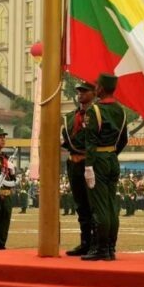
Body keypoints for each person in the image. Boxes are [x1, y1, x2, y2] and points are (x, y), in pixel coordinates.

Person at [82, 72, 128, 261]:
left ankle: (102, 249)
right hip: (112, 157)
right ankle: (110, 248)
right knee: (111, 205)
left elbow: (91, 141)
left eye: (97, 86)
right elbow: (123, 139)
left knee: (100, 206)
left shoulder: (94, 110)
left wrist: (89, 166)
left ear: (101, 88)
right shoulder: (121, 110)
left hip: (98, 159)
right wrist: (112, 154)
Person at [62, 81, 96, 256]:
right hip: (73, 164)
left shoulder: (96, 114)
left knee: (93, 205)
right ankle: (85, 242)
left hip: (89, 163)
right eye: (79, 91)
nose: (80, 94)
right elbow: (67, 138)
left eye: (85, 91)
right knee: (80, 205)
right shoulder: (70, 117)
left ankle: (96, 244)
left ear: (94, 93)